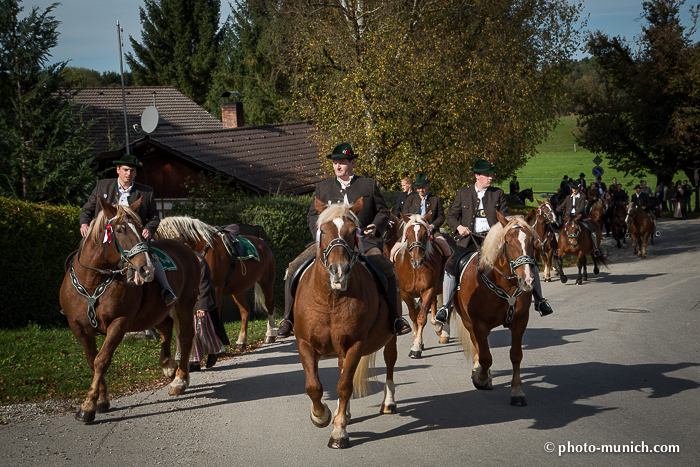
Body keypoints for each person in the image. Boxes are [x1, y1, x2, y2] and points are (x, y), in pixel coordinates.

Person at [277, 143, 411, 338]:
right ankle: (288, 319)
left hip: (363, 242)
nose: (337, 166)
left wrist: (375, 227)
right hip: (329, 244)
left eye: (341, 163)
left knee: (387, 269)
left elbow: (382, 210)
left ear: (352, 162)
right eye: (335, 163)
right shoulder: (323, 187)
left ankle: (395, 318)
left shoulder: (368, 185)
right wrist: (319, 233)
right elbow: (312, 215)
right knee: (292, 267)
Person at [434, 159, 553, 325]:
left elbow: (504, 219)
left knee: (528, 261)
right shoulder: (463, 193)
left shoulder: (498, 194)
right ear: (477, 176)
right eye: (487, 175)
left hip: (494, 241)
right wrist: (459, 227)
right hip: (469, 240)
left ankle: (540, 300)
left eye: (491, 175)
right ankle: (445, 307)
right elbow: (451, 216)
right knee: (451, 265)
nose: (490, 178)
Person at [79, 154, 177, 305]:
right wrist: (84, 224)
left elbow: (154, 217)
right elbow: (86, 211)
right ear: (118, 170)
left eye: (132, 170)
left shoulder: (146, 192)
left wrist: (149, 229)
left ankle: (166, 290)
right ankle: (73, 296)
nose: (128, 173)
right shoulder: (102, 186)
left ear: (136, 173)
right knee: (77, 258)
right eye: (125, 170)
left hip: (133, 239)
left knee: (151, 261)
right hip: (104, 240)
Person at [183, 252, 230, 372]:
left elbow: (204, 284)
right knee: (188, 333)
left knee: (202, 332)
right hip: (187, 304)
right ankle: (194, 363)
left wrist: (202, 307)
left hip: (200, 303)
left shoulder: (199, 261)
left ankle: (213, 351)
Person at [397, 173, 451, 258]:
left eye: (423, 187)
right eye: (418, 188)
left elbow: (441, 217)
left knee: (446, 248)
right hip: (412, 232)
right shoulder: (410, 199)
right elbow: (404, 216)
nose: (420, 190)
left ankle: (446, 270)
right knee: (393, 252)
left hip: (431, 231)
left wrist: (432, 226)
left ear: (428, 186)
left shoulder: (436, 199)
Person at [554, 180, 603, 258]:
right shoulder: (568, 197)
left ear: (579, 189)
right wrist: (554, 213)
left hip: (580, 218)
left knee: (592, 230)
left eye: (576, 188)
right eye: (573, 188)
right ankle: (559, 248)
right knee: (557, 231)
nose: (574, 190)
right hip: (568, 218)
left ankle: (595, 248)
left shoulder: (582, 197)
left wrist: (575, 214)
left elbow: (581, 208)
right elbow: (561, 207)